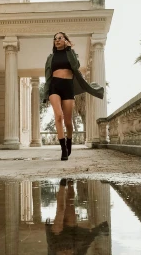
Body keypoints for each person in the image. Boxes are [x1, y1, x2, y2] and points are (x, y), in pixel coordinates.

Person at [46, 178, 109, 255]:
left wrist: (49, 234)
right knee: (70, 203)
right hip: (70, 237)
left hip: (57, 238)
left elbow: (51, 251)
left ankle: (62, 185)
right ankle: (70, 184)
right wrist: (92, 234)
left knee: (61, 209)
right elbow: (81, 253)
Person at [43, 32, 105, 161]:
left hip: (68, 87)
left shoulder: (71, 53)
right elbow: (48, 77)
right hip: (54, 86)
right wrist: (45, 93)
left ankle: (69, 140)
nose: (57, 40)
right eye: (55, 39)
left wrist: (69, 49)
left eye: (60, 38)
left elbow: (75, 66)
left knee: (68, 121)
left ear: (65, 40)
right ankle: (63, 149)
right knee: (58, 116)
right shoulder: (50, 57)